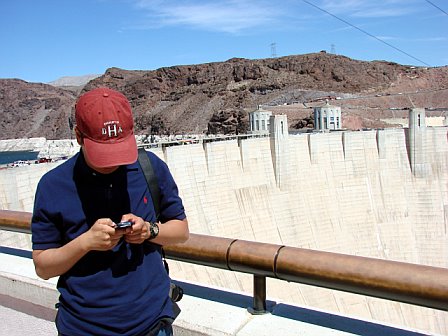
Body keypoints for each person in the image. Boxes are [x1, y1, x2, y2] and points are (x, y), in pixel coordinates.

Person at [31, 87, 189, 336]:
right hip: (83, 328)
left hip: (151, 324)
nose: (113, 163)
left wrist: (149, 230)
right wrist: (85, 243)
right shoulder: (53, 186)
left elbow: (181, 231)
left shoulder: (151, 168)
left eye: (119, 150)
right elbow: (43, 267)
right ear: (78, 136)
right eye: (103, 153)